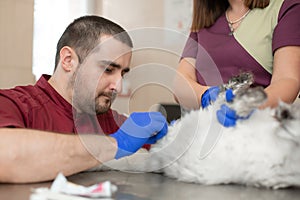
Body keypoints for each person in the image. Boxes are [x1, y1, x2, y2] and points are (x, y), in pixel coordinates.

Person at [0, 16, 168, 183]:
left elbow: (166, 152)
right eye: (108, 69)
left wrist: (175, 135)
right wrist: (114, 144)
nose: (118, 87)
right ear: (68, 60)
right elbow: (6, 155)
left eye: (122, 74)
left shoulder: (107, 119)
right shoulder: (14, 104)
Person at [174, 0, 300, 126]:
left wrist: (246, 107)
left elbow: (287, 80)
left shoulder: (285, 8)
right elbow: (180, 83)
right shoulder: (205, 20)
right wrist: (205, 96)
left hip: (256, 132)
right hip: (205, 132)